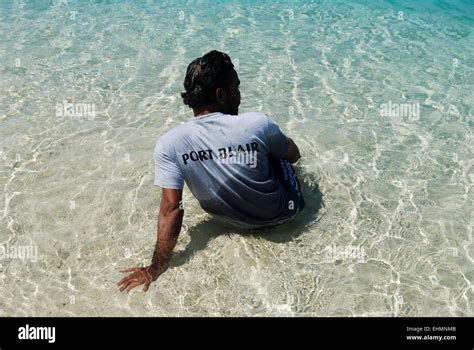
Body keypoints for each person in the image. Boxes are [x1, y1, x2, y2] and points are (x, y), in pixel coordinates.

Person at [118, 50, 304, 293]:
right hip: (283, 215)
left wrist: (155, 268)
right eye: (236, 87)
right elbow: (294, 155)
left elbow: (171, 209)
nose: (239, 94)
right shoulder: (257, 123)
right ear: (221, 94)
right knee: (278, 151)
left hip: (232, 221)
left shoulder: (170, 143)